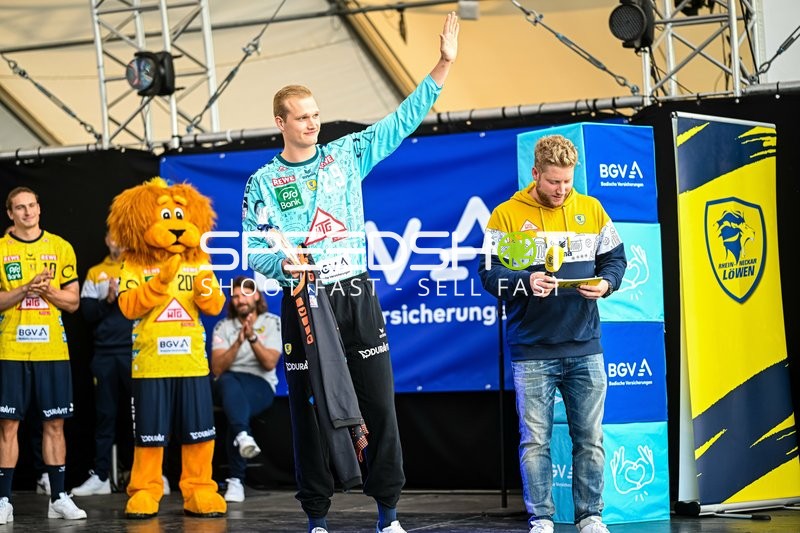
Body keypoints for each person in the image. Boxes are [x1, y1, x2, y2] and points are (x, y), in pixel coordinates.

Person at [241, 12, 459, 533]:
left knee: (378, 405)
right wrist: (284, 262)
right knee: (308, 412)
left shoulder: (346, 155)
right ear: (281, 122)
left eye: (315, 115)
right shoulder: (263, 182)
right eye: (301, 117)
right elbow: (256, 252)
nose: (312, 123)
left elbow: (401, 121)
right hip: (302, 300)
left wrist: (444, 65)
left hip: (354, 293)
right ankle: (317, 517)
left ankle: (389, 515)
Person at [478, 135, 626, 533]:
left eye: (567, 182)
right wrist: (526, 281)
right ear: (535, 173)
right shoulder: (506, 215)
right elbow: (489, 274)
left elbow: (615, 259)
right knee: (534, 443)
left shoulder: (591, 208)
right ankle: (541, 519)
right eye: (553, 182)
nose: (562, 190)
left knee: (590, 439)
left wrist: (607, 285)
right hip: (532, 349)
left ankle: (590, 517)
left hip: (585, 346)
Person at [0, 187, 87, 523]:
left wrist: (47, 290)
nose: (27, 212)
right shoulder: (2, 249)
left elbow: (74, 302)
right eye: (19, 208)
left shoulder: (60, 246)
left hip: (52, 348)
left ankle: (59, 496)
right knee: (8, 424)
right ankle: (4, 499)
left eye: (32, 205)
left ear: (39, 207)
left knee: (55, 423)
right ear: (10, 214)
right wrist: (24, 288)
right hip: (11, 349)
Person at [71, 232, 171, 497]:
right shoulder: (96, 272)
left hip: (139, 351)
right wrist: (109, 298)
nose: (118, 241)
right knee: (105, 416)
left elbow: (156, 305)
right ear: (107, 240)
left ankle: (154, 474)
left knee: (145, 416)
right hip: (105, 354)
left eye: (123, 237)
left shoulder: (141, 266)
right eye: (113, 237)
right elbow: (87, 314)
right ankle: (102, 476)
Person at [210, 275, 281, 503]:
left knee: (235, 409)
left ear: (256, 295)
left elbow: (270, 363)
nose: (239, 300)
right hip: (227, 382)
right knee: (230, 383)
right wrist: (238, 341)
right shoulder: (223, 326)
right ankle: (241, 447)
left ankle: (237, 477)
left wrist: (251, 337)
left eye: (244, 295)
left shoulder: (272, 322)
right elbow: (218, 368)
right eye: (235, 297)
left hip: (259, 385)